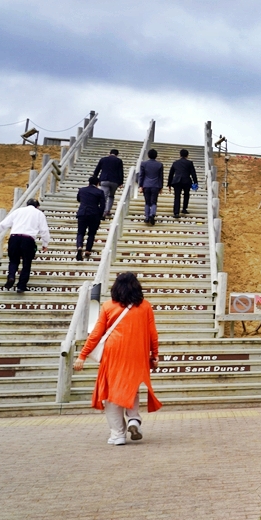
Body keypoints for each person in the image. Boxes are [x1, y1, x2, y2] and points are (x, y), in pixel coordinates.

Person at [74, 271, 161, 445]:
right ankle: (134, 419)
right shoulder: (145, 306)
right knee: (131, 387)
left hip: (113, 354)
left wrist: (83, 355)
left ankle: (118, 435)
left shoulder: (108, 306)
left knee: (111, 394)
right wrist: (155, 354)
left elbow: (96, 334)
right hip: (137, 354)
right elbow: (152, 334)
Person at [0, 199, 51, 293]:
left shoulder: (18, 211)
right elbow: (44, 230)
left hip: (14, 237)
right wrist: (45, 243)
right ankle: (21, 286)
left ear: (27, 204)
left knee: (13, 261)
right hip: (28, 239)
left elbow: (4, 224)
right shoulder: (39, 214)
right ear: (37, 206)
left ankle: (11, 276)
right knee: (26, 263)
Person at [75, 175, 106, 261]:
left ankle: (79, 247)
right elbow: (103, 205)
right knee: (91, 233)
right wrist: (100, 215)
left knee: (80, 232)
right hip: (94, 214)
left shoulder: (82, 190)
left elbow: (78, 199)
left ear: (88, 182)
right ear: (97, 183)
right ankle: (88, 249)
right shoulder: (100, 192)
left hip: (82, 213)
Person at [92, 148, 125, 220]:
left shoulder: (103, 159)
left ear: (109, 153)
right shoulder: (119, 161)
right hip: (114, 181)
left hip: (104, 180)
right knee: (111, 196)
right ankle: (107, 210)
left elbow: (97, 170)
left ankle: (102, 212)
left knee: (104, 196)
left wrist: (94, 179)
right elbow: (121, 172)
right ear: (117, 155)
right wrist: (121, 182)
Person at [167, 148, 198, 218]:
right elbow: (193, 173)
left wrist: (169, 184)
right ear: (187, 155)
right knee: (186, 195)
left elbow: (171, 174)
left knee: (177, 196)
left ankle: (176, 213)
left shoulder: (175, 163)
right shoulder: (189, 163)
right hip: (186, 181)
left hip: (177, 181)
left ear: (180, 155)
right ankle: (184, 208)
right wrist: (195, 182)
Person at [138, 149, 164, 225]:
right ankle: (152, 214)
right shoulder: (159, 165)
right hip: (155, 185)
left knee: (147, 202)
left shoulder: (143, 164)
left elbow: (141, 175)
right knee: (154, 202)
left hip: (146, 185)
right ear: (156, 156)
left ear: (148, 155)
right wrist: (160, 187)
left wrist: (140, 186)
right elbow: (160, 177)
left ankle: (147, 217)